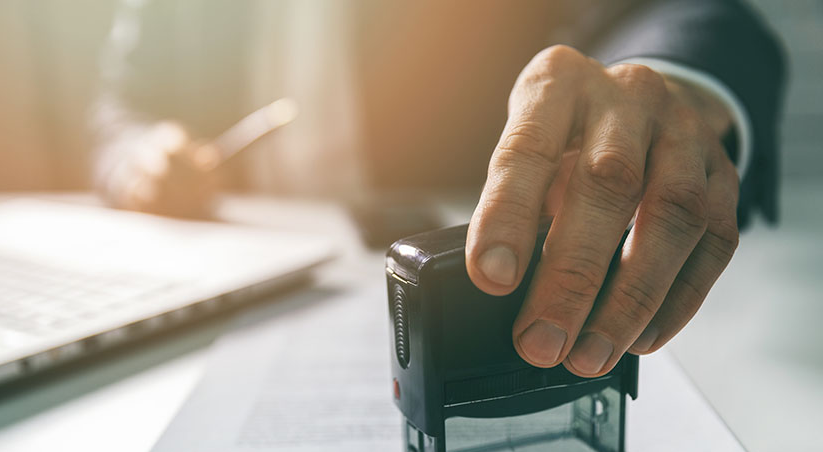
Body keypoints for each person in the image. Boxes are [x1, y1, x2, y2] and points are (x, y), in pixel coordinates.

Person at [91, 0, 786, 378]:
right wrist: (135, 153)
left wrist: (668, 85)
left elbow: (704, 15)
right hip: (241, 271)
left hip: (466, 267)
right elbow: (118, 105)